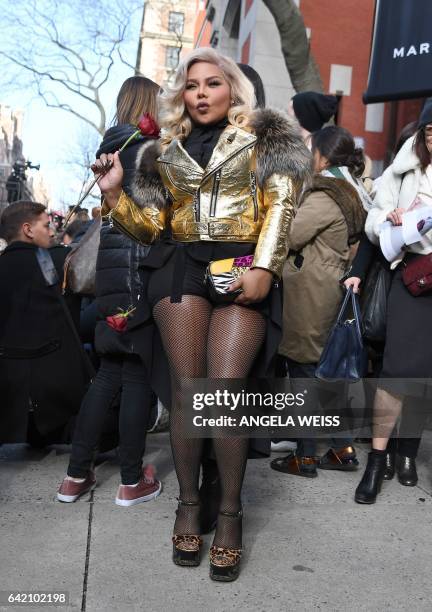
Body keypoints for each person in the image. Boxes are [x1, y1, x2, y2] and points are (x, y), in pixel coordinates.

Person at [92, 48, 310, 581]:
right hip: (180, 270)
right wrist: (116, 194)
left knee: (224, 391)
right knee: (191, 392)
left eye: (213, 83)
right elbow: (150, 226)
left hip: (239, 265)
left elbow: (282, 204)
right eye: (192, 86)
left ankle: (230, 513)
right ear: (182, 95)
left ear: (232, 89)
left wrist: (264, 267)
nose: (201, 93)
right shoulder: (164, 149)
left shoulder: (266, 138)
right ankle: (189, 504)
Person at [57, 76, 163, 507]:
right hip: (141, 275)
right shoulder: (152, 150)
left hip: (109, 276)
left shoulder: (109, 149)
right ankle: (131, 480)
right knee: (138, 376)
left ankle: (74, 476)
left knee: (107, 375)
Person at [272, 126, 370, 477]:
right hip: (331, 287)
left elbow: (290, 234)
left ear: (323, 156)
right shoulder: (352, 191)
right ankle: (342, 450)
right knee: (325, 374)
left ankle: (306, 455)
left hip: (311, 292)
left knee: (304, 372)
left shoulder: (326, 193)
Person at [355, 101, 432, 503]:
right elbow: (374, 217)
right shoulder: (401, 170)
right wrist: (393, 218)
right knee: (397, 369)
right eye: (430, 131)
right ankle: (378, 459)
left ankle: (407, 452)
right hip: (412, 274)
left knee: (423, 373)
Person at [0, 201, 92, 444]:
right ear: (28, 229)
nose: (52, 231)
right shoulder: (61, 260)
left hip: (10, 394)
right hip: (62, 396)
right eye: (46, 225)